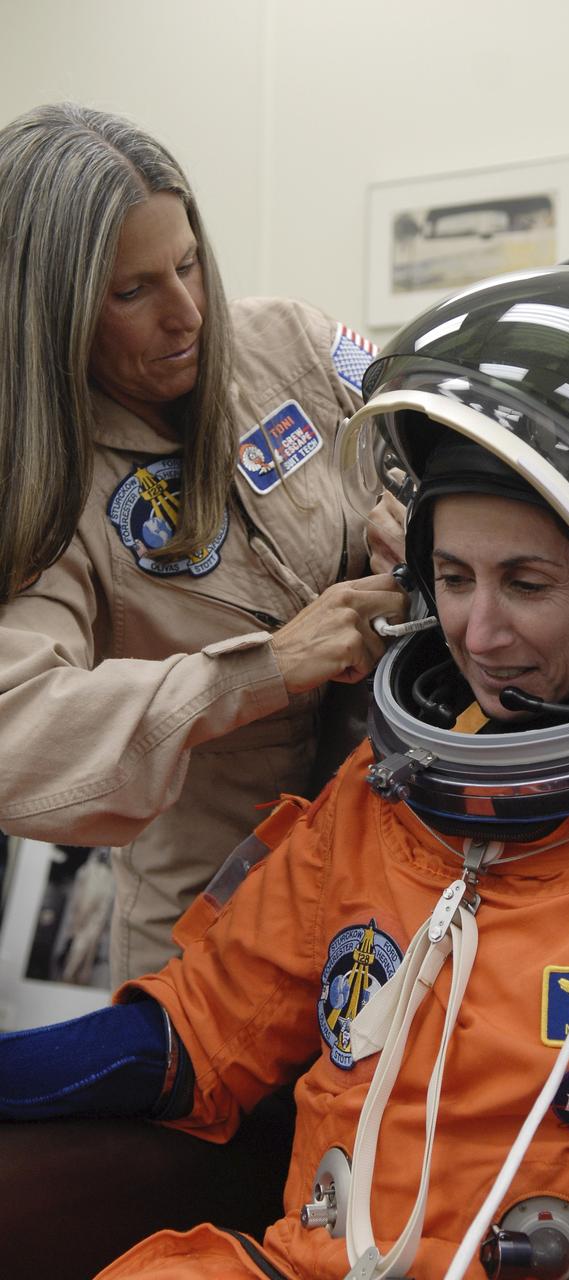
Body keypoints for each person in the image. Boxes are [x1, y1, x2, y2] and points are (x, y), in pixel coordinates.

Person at [3, 252, 569, 1280]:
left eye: (527, 582)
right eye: (450, 576)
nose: (478, 633)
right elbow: (194, 1034)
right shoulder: (376, 803)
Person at [0, 102, 406, 981]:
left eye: (188, 263)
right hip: (213, 918)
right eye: (133, 291)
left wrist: (415, 516)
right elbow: (13, 726)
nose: (187, 312)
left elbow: (425, 436)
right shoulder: (41, 491)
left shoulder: (292, 342)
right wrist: (256, 672)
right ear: (52, 309)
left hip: (399, 867)